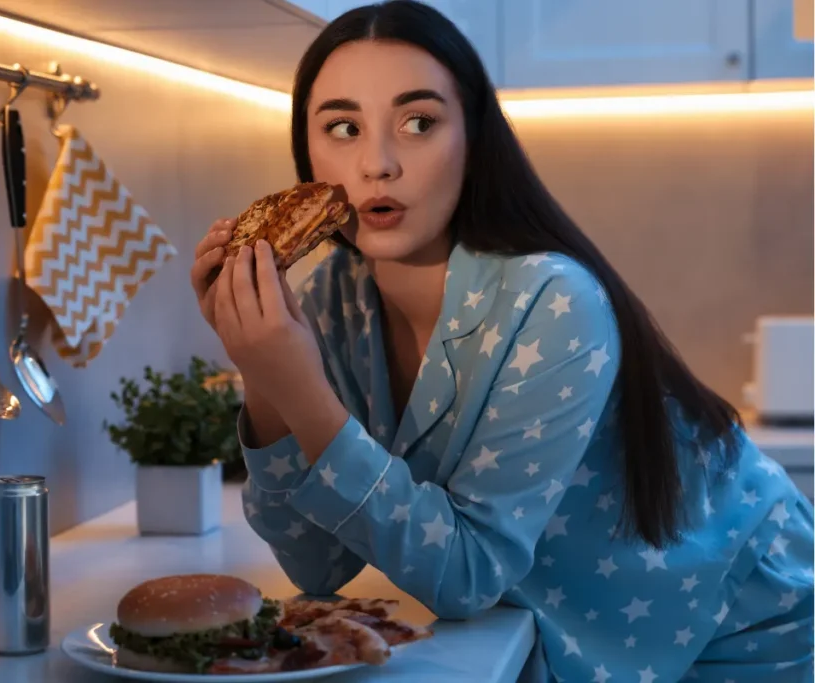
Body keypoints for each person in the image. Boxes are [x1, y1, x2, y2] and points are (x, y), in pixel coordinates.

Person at [189, 1, 814, 680]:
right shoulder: (333, 300)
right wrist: (264, 370)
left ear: (473, 138)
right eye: (343, 127)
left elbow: (467, 574)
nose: (378, 163)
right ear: (305, 153)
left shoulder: (552, 299)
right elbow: (317, 566)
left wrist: (302, 387)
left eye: (419, 122)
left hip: (743, 623)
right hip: (587, 633)